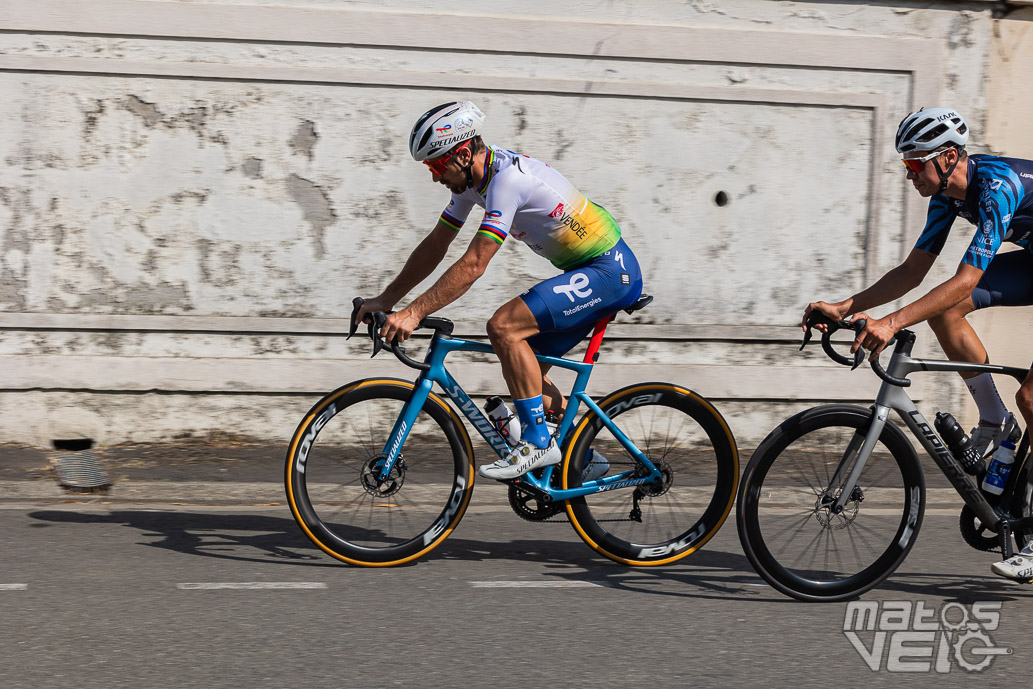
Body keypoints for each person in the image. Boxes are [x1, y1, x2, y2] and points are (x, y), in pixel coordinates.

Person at [803, 106, 1033, 583]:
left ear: (948, 156)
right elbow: (913, 272)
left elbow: (966, 277)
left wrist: (890, 323)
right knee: (948, 312)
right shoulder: (947, 194)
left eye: (914, 164)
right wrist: (846, 307)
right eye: (905, 165)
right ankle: (997, 423)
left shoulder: (997, 187)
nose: (909, 174)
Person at [355, 101, 643, 481]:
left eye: (437, 166)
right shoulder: (473, 183)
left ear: (462, 154)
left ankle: (539, 443)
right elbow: (436, 245)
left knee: (504, 327)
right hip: (586, 270)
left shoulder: (507, 181)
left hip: (607, 270)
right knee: (527, 374)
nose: (434, 177)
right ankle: (581, 457)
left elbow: (475, 263)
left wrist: (414, 313)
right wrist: (387, 300)